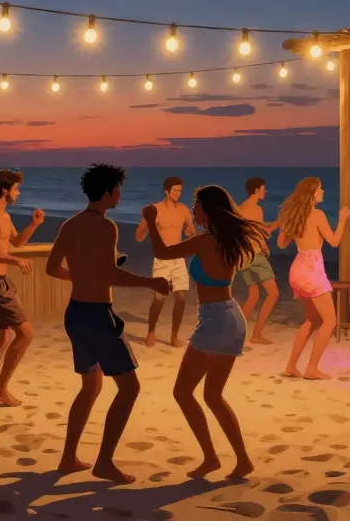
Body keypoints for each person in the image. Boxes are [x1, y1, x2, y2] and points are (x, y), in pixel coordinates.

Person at [45, 164, 171, 481]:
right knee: (129, 388)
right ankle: (104, 462)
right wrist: (151, 283)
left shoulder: (69, 224)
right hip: (98, 315)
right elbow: (110, 274)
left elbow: (51, 267)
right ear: (107, 192)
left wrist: (80, 277)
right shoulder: (106, 227)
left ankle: (68, 458)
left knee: (91, 386)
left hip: (75, 312)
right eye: (117, 190)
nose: (120, 195)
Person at [142, 185, 262, 479]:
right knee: (213, 396)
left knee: (182, 392)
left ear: (207, 209)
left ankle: (211, 458)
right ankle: (241, 460)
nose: (192, 210)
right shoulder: (228, 240)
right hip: (232, 317)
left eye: (196, 205)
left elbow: (163, 252)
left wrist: (150, 220)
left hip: (216, 321)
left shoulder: (206, 241)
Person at [0, 169, 42, 407]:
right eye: (15, 188)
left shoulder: (4, 216)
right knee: (25, 334)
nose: (18, 192)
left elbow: (16, 242)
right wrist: (15, 261)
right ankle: (0, 388)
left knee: (3, 338)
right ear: (5, 190)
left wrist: (34, 225)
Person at [276, 177, 349, 380]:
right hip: (312, 271)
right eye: (320, 189)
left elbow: (281, 244)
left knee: (312, 319)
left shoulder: (295, 216)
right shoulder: (317, 214)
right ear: (312, 193)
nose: (323, 191)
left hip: (297, 270)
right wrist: (342, 220)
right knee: (330, 321)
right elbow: (334, 241)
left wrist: (286, 227)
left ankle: (291, 366)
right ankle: (312, 368)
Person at [135, 177, 195, 347]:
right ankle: (151, 332)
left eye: (180, 190)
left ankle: (174, 337)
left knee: (181, 299)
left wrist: (190, 232)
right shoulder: (155, 209)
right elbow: (139, 235)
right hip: (162, 260)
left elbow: (191, 231)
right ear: (166, 191)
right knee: (159, 298)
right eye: (175, 190)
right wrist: (145, 231)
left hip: (178, 259)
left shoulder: (183, 210)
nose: (178, 193)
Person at [236, 177, 280, 344]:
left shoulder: (241, 208)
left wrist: (274, 224)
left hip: (243, 256)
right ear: (256, 190)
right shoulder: (256, 209)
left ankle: (236, 333)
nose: (265, 191)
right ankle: (256, 335)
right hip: (254, 255)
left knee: (253, 295)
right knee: (273, 294)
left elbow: (254, 228)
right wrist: (265, 248)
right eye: (263, 188)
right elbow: (262, 233)